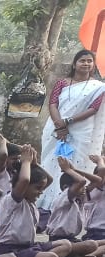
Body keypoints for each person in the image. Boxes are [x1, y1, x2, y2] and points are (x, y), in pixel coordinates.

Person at [39, 50, 105, 212]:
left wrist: (68, 122)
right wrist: (60, 125)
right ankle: (47, 201)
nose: (86, 64)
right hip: (56, 130)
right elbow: (53, 104)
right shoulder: (62, 83)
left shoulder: (98, 87)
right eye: (82, 60)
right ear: (74, 64)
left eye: (90, 61)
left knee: (77, 164)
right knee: (52, 162)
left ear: (93, 65)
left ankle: (73, 201)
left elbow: (93, 109)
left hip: (81, 131)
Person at [0, 145, 73, 257]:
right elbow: (25, 180)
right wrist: (26, 161)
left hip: (29, 247)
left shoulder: (30, 201)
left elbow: (49, 180)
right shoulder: (13, 200)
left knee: (66, 244)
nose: (41, 192)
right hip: (10, 251)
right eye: (38, 188)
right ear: (24, 187)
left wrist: (35, 164)